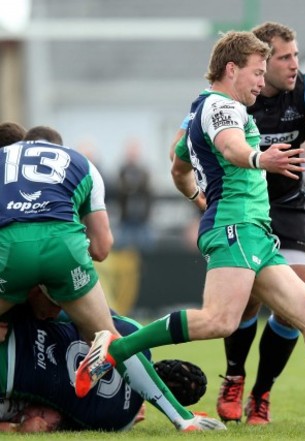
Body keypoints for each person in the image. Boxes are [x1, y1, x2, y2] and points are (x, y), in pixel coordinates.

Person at [75, 30, 305, 431]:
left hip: (255, 232)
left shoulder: (204, 108)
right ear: (231, 69)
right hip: (236, 227)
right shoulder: (223, 107)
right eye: (256, 72)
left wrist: (198, 195)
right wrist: (259, 158)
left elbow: (178, 167)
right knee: (220, 321)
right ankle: (116, 349)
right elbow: (234, 148)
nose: (260, 80)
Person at [169, 21, 305, 425]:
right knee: (244, 305)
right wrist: (198, 199)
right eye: (284, 58)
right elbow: (182, 157)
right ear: (258, 63)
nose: (294, 65)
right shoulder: (226, 101)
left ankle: (262, 392)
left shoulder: (303, 87)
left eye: (296, 56)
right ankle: (234, 374)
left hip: (286, 205)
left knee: (297, 308)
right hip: (239, 209)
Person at [0, 126, 221, 431]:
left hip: (10, 247)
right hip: (65, 247)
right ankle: (182, 418)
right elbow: (102, 248)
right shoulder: (81, 162)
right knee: (114, 338)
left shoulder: (3, 159)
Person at [0, 290, 216, 432]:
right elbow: (48, 421)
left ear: (168, 362)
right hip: (10, 383)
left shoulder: (133, 332)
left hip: (13, 335)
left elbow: (70, 310)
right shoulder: (121, 421)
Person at [116, 137, 154, 250]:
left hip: (142, 220)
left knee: (147, 248)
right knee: (122, 250)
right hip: (126, 220)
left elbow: (148, 192)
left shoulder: (144, 171)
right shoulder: (122, 171)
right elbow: (120, 190)